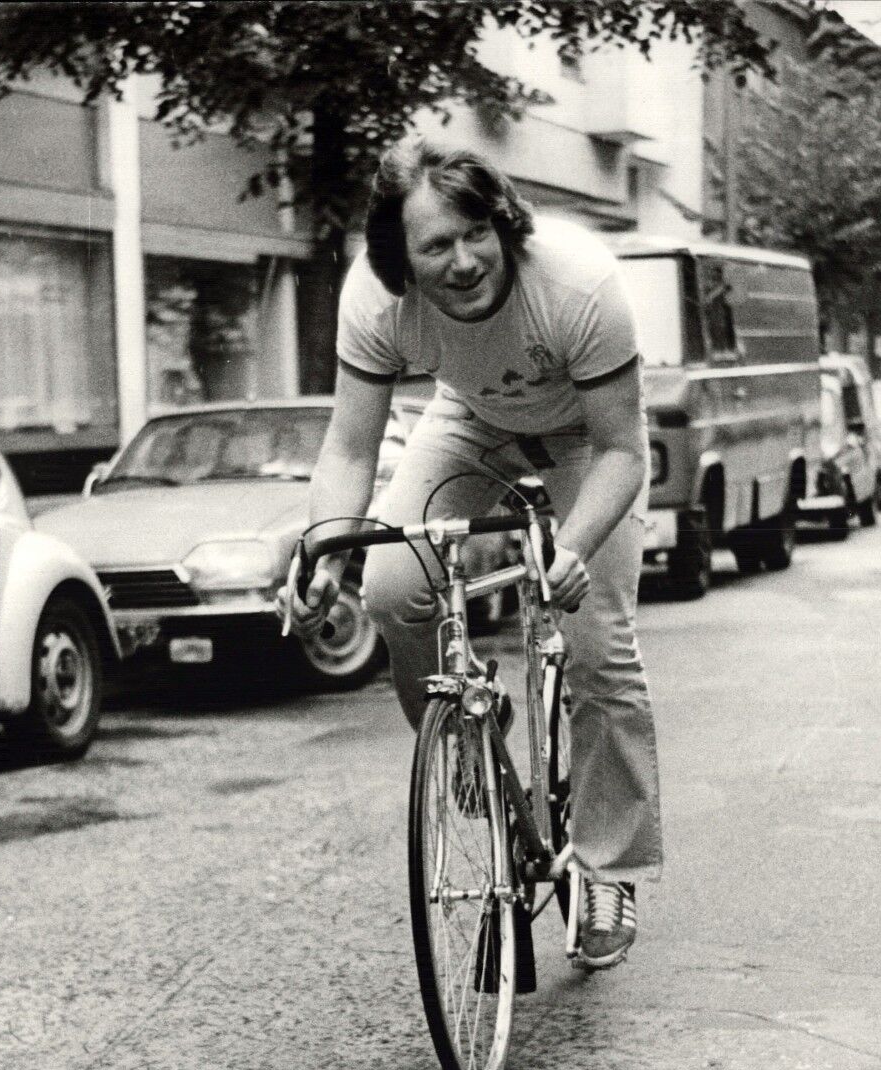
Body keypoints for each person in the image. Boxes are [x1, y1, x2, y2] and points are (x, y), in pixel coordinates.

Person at [281, 139, 662, 969]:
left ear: (502, 222)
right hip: (471, 420)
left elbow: (623, 450)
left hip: (584, 441)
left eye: (474, 233)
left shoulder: (577, 281)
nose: (463, 261)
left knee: (598, 643)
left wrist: (573, 547)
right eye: (435, 247)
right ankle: (468, 739)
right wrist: (323, 553)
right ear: (401, 260)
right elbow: (349, 448)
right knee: (390, 586)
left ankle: (608, 865)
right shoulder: (376, 301)